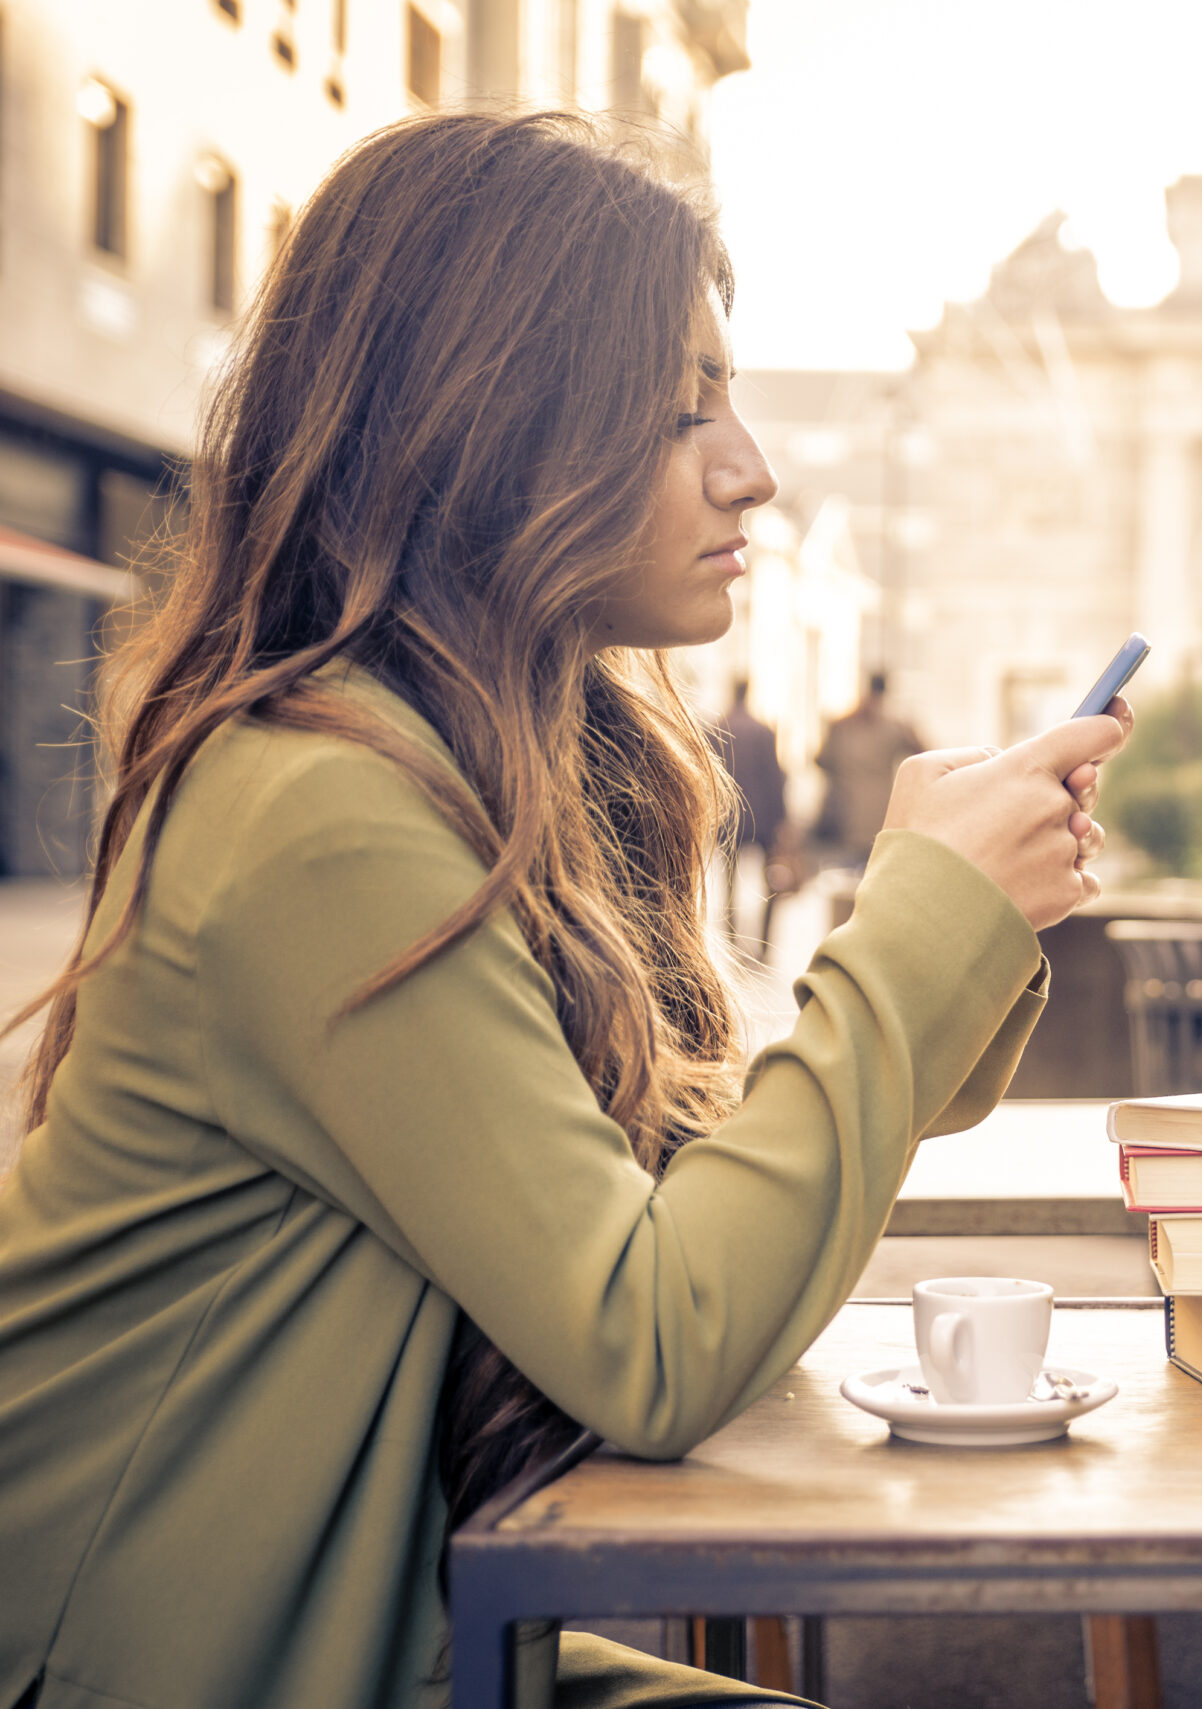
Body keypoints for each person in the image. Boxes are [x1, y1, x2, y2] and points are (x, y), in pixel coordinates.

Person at [0, 111, 1127, 1709]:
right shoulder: (326, 811)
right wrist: (924, 925)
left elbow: (670, 1194)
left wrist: (959, 919)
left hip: (383, 1638)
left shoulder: (478, 754)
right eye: (680, 413)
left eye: (729, 392)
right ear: (489, 435)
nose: (755, 465)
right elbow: (654, 1338)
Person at [713, 677, 794, 955]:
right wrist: (782, 820)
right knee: (770, 880)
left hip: (728, 818)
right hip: (762, 818)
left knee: (730, 883)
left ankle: (732, 939)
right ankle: (763, 942)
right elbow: (775, 778)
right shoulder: (763, 731)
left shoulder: (717, 728)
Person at [815, 673, 927, 871]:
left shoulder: (844, 725)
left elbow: (821, 760)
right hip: (881, 812)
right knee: (874, 870)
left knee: (846, 874)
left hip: (846, 812)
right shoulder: (895, 727)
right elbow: (924, 755)